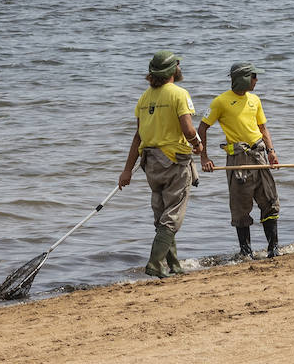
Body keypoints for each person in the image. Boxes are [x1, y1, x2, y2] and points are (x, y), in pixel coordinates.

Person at [118, 50, 202, 278]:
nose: (179, 68)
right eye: (177, 65)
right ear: (172, 70)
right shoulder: (179, 94)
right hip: (174, 161)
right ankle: (155, 263)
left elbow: (138, 136)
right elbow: (188, 128)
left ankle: (173, 266)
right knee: (172, 215)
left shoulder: (144, 97)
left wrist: (127, 170)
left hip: (151, 163)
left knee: (162, 214)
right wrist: (197, 143)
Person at [198, 62, 281, 259]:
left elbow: (263, 128)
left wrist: (271, 151)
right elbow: (201, 129)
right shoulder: (220, 102)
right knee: (240, 205)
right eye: (253, 76)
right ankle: (246, 252)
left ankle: (273, 249)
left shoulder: (255, 100)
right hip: (238, 160)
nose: (256, 80)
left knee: (269, 200)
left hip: (259, 155)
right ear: (243, 78)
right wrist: (204, 158)